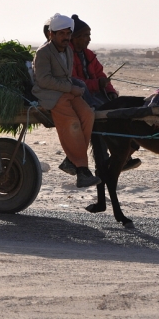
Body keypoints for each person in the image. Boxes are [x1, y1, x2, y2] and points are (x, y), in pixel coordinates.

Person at [57, 14, 141, 175]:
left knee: (122, 109)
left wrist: (110, 91)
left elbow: (101, 76)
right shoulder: (67, 55)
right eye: (86, 36)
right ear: (75, 37)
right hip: (79, 95)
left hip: (96, 94)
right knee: (100, 119)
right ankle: (83, 160)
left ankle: (123, 155)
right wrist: (97, 84)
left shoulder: (89, 56)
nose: (89, 39)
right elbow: (74, 80)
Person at [32, 13, 100, 188]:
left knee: (88, 114)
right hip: (50, 94)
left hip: (67, 91)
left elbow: (67, 76)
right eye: (61, 34)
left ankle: (72, 160)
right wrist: (70, 88)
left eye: (67, 34)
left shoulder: (68, 50)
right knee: (72, 124)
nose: (65, 37)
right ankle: (82, 170)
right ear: (51, 35)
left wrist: (73, 89)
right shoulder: (43, 53)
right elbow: (44, 80)